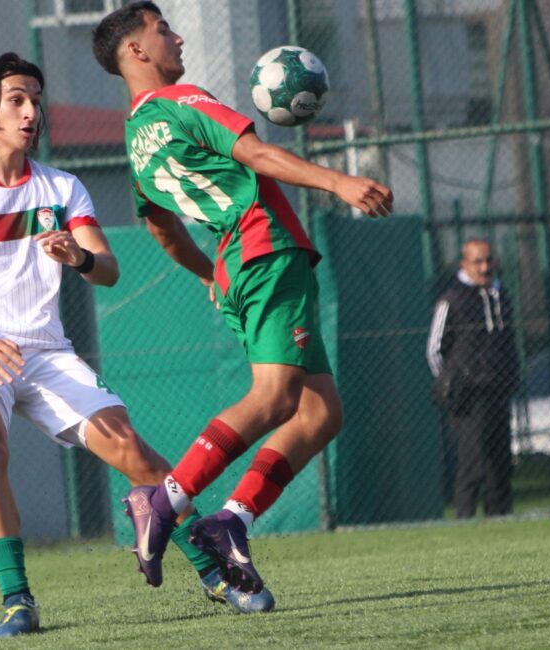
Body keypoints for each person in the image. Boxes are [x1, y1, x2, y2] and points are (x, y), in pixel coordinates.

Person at [0, 52, 270, 637]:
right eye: (17, 100)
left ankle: (216, 572)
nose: (32, 112)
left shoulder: (61, 186)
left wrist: (77, 257)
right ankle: (17, 601)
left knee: (132, 449)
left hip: (46, 352)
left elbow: (107, 269)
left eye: (35, 99)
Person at [90, 2, 393, 596]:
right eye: (161, 30)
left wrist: (210, 273)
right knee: (275, 397)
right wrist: (339, 182)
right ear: (136, 51)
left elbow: (161, 230)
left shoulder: (135, 141)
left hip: (239, 263)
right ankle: (165, 502)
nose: (176, 37)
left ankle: (231, 521)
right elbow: (253, 153)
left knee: (320, 412)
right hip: (265, 246)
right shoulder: (185, 101)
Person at [426, 239, 519, 518]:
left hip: (498, 389)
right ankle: (464, 520)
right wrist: (449, 382)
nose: (485, 267)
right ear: (464, 264)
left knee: (500, 463)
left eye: (489, 260)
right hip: (469, 395)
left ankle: (500, 519)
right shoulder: (452, 299)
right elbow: (434, 350)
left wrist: (511, 373)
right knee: (473, 462)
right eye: (478, 261)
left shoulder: (501, 295)